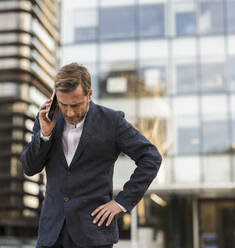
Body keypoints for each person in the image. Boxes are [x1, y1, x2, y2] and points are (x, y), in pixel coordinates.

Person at [20, 63, 162, 248]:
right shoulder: (46, 119)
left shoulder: (112, 122)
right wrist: (45, 135)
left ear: (89, 95)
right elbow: (29, 168)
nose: (69, 112)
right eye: (63, 104)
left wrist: (121, 203)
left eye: (75, 105)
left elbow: (151, 157)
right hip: (52, 235)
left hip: (93, 234)